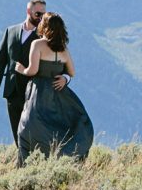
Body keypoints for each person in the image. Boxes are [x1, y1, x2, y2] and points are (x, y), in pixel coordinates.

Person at [13, 12, 94, 165]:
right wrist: (65, 78)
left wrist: (20, 69)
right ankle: (60, 160)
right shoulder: (63, 49)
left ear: (45, 26)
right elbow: (72, 72)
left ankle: (27, 165)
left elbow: (33, 70)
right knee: (57, 129)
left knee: (28, 128)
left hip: (39, 92)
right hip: (59, 94)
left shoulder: (37, 44)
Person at [0, 0, 68, 145]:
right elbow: (1, 60)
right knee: (16, 131)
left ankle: (32, 161)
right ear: (28, 11)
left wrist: (65, 77)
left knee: (32, 132)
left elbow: (60, 62)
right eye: (38, 14)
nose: (41, 18)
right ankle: (21, 162)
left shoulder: (45, 38)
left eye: (44, 15)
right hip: (12, 91)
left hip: (34, 92)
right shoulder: (10, 31)